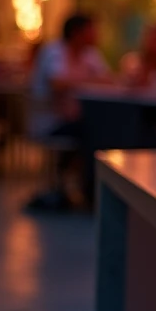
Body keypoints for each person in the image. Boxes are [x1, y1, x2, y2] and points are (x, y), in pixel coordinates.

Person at [28, 13, 111, 209]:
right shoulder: (54, 52)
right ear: (77, 33)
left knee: (101, 128)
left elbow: (108, 79)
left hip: (76, 119)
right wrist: (89, 81)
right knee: (95, 131)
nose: (96, 35)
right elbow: (56, 83)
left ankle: (90, 189)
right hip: (50, 122)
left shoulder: (90, 54)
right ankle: (90, 192)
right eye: (92, 30)